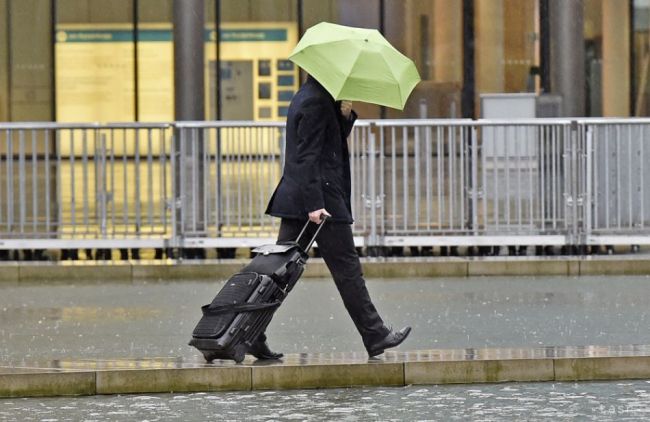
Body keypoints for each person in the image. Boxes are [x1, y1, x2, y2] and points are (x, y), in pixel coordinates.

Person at [248, 74, 411, 360]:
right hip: (319, 203)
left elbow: (328, 144)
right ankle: (375, 334)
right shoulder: (315, 102)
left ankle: (251, 333)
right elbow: (307, 156)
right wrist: (314, 206)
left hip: (306, 199)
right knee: (346, 269)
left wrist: (344, 115)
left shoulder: (312, 96)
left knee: (281, 273)